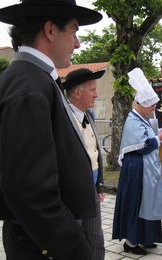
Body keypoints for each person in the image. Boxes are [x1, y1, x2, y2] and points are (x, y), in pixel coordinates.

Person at [0, 1, 103, 259]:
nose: (77, 43)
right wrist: (74, 247)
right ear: (50, 30)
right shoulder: (29, 87)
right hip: (42, 245)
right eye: (73, 31)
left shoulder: (28, 78)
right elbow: (30, 192)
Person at [112, 68, 162, 255]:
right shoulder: (133, 120)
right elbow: (144, 145)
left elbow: (147, 140)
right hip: (137, 170)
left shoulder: (141, 118)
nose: (153, 110)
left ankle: (146, 237)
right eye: (152, 107)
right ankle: (131, 242)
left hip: (144, 168)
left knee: (147, 203)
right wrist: (160, 137)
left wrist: (159, 137)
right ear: (143, 104)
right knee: (137, 203)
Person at [63, 68, 106, 260]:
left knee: (96, 238)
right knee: (76, 239)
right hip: (71, 194)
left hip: (91, 190)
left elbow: (95, 154)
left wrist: (99, 184)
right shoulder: (62, 119)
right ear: (77, 93)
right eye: (92, 89)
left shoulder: (89, 116)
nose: (97, 94)